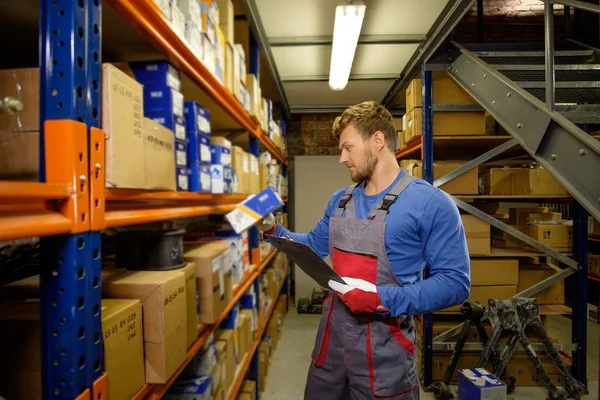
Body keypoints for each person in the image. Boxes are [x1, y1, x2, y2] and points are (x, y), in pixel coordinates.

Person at [258, 101, 470, 400]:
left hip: (385, 354)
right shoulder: (340, 200)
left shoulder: (430, 203)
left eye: (348, 148)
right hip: (331, 344)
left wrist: (381, 299)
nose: (342, 159)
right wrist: (272, 230)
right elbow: (314, 247)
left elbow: (455, 284)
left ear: (378, 141)